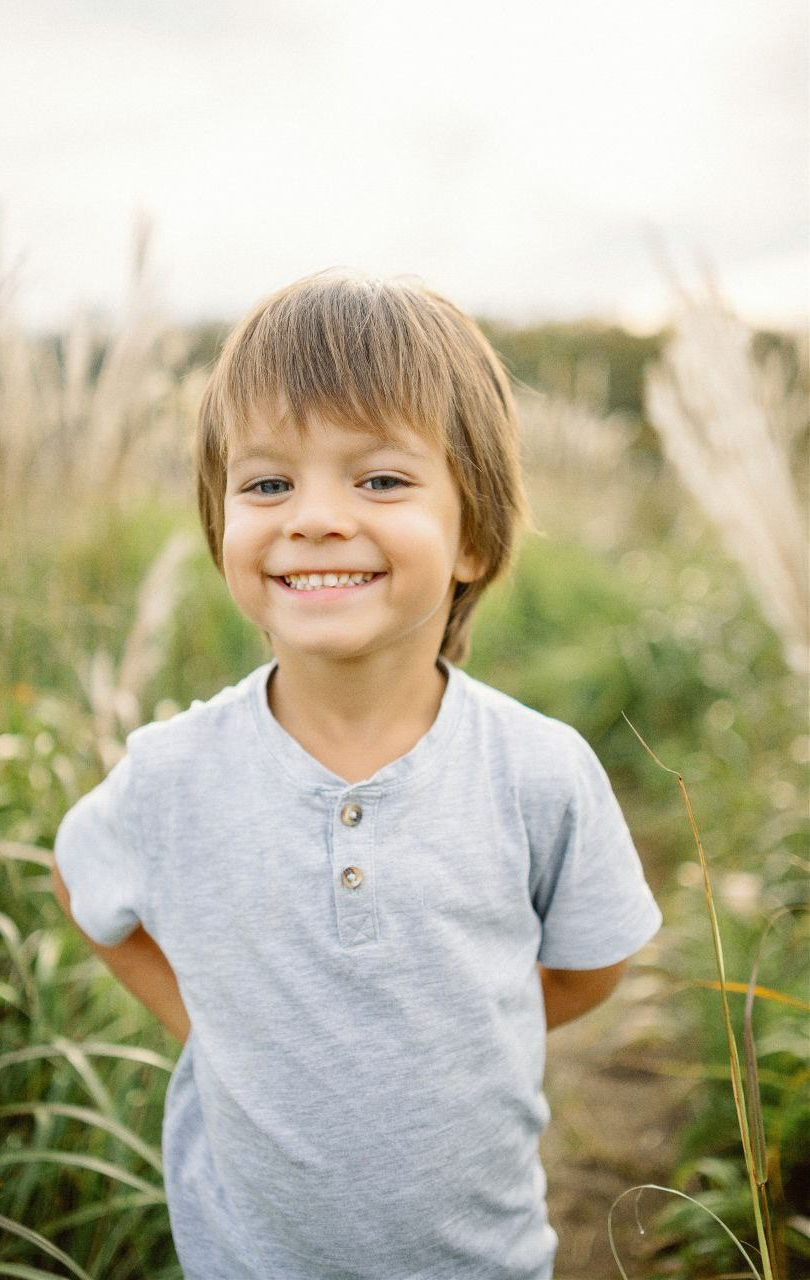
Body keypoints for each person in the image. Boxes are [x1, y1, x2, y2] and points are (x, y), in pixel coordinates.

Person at [52, 271, 662, 1279]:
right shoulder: (171, 772)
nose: (315, 517)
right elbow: (84, 882)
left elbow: (591, 961)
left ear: (472, 533)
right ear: (222, 527)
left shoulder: (535, 769)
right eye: (266, 483)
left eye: (378, 479)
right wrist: (215, 1020)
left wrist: (469, 1024)